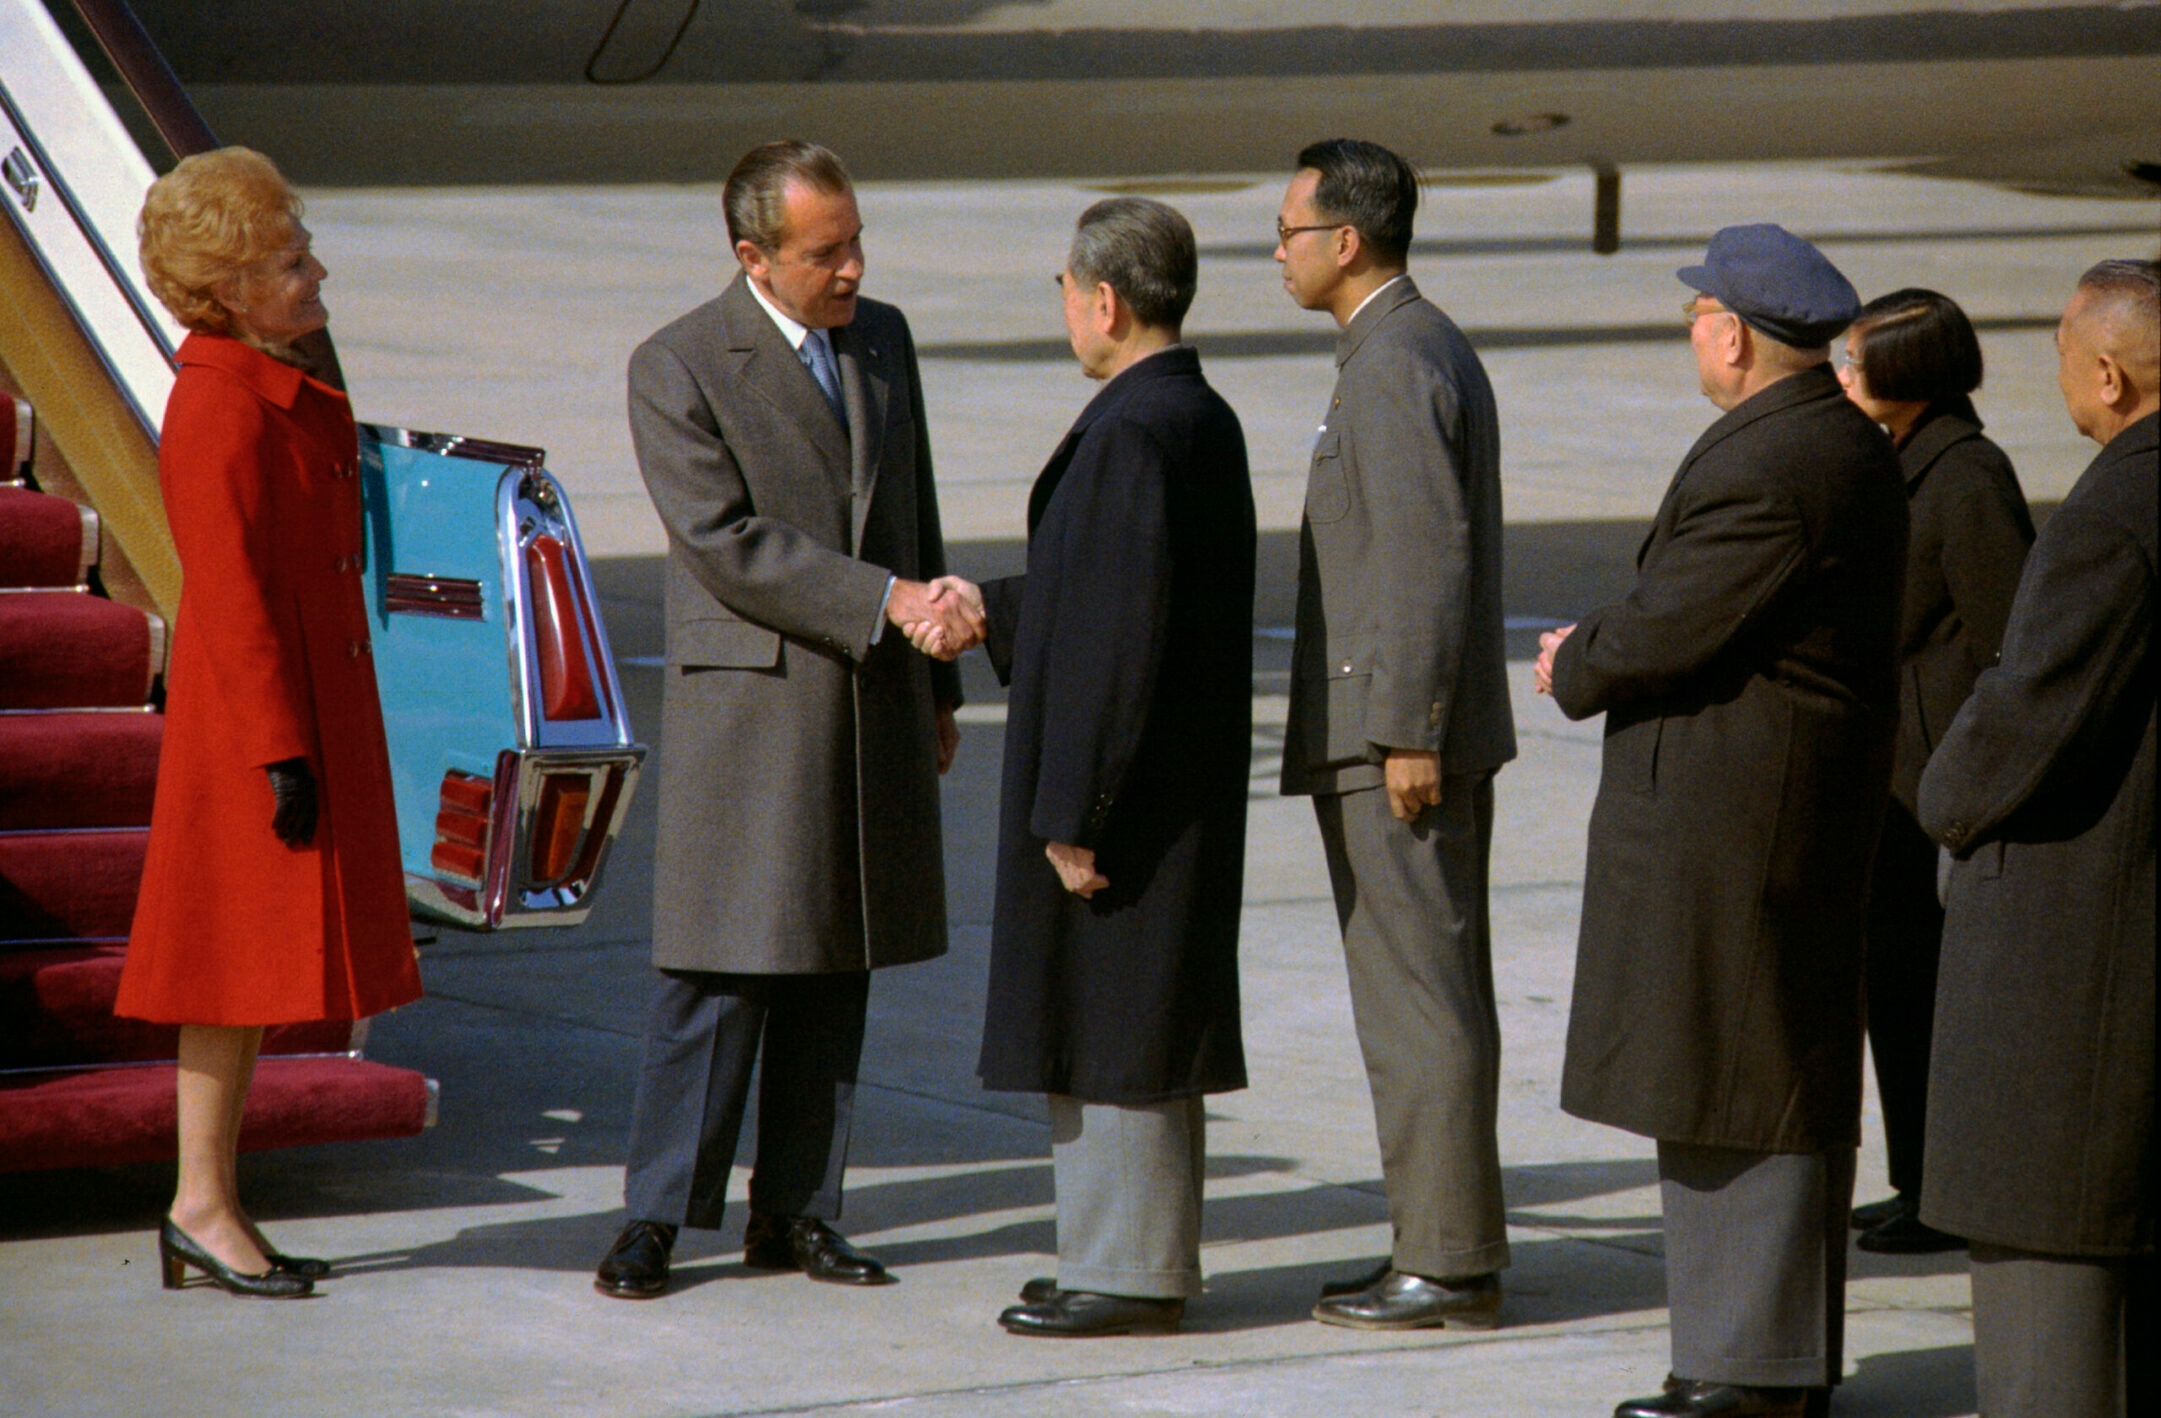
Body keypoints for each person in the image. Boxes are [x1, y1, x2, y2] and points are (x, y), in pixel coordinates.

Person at [593, 140, 983, 1300]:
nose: (852, 267)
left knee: (835, 956)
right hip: (756, 704)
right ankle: (658, 1212)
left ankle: (800, 1207)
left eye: (858, 241)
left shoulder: (882, 338)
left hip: (868, 692)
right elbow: (722, 540)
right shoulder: (678, 364)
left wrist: (937, 685)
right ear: (752, 254)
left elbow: (911, 510)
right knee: (721, 969)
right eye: (827, 252)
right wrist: (884, 604)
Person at [1535, 224, 1907, 1418]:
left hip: (1746, 826)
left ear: (1732, 332)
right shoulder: (1815, 439)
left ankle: (1753, 1368)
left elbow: (1674, 620)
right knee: (1728, 1070)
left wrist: (1575, 657)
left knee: (1744, 1077)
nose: (1692, 326)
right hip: (1750, 814)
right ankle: (1748, 1358)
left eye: (1699, 311)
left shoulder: (1778, 460)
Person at [118, 146, 423, 1298]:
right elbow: (230, 589)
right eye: (292, 261)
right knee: (224, 969)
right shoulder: (217, 402)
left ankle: (208, 1200)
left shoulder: (260, 385)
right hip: (255, 726)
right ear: (232, 286)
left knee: (239, 974)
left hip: (289, 710)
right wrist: (277, 749)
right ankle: (200, 1202)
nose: (317, 274)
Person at [963, 198, 1256, 1338]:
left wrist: (1073, 810)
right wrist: (989, 609)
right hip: (1166, 781)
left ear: (1105, 299)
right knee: (1112, 1020)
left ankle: (1130, 1271)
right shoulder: (1193, 414)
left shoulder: (1132, 430)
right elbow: (1100, 597)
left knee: (1122, 1024)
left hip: (1130, 797)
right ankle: (1110, 1251)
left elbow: (1119, 639)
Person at [1272, 138, 1517, 1331]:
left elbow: (1425, 555)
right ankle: (1442, 1239)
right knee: (1427, 989)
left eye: (1288, 232)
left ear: (1345, 240)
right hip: (1392, 730)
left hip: (1394, 743)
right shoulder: (1403, 347)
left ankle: (1448, 1258)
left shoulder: (1392, 362)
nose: (1278, 253)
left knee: (1418, 996)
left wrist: (1408, 728)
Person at [1915, 257, 2157, 1418]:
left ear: (2106, 376)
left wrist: (1943, 798)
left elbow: (2027, 707)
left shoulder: (2114, 510)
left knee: (2046, 1341)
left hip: (2076, 973)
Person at [1835, 289, 2033, 1256]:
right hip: (1889, 785)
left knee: (1933, 998)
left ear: (1905, 376)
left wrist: (1968, 772)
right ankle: (1918, 1178)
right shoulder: (1899, 460)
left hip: (1936, 787)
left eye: (1854, 359)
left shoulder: (1965, 477)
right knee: (1896, 991)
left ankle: (1945, 1193)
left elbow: (2013, 644)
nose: (1839, 373)